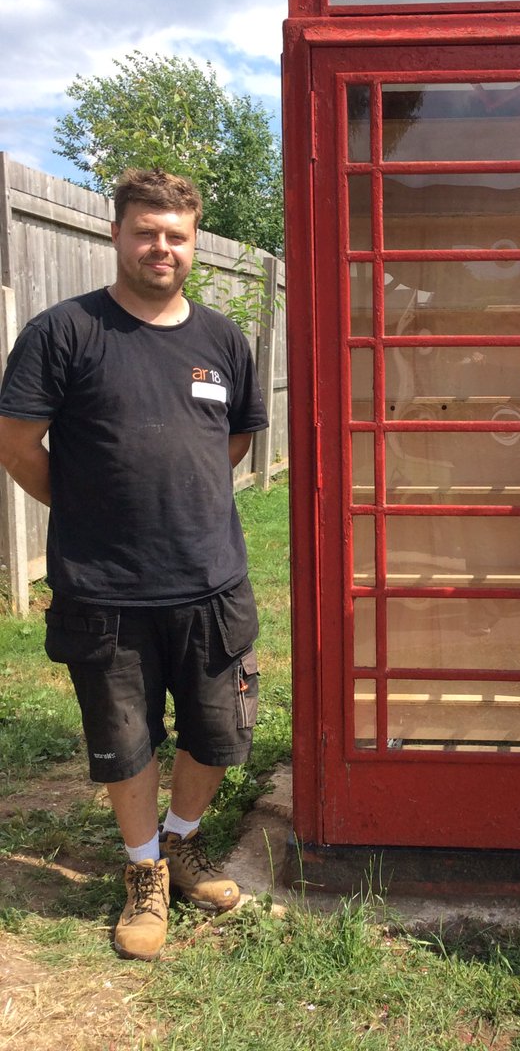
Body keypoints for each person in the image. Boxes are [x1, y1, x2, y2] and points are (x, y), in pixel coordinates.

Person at [0, 168, 268, 961]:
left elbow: (236, 442)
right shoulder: (63, 332)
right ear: (115, 234)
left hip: (211, 578)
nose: (162, 246)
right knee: (127, 741)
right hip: (104, 587)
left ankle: (181, 842)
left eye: (176, 234)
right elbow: (18, 446)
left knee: (220, 735)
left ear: (194, 244)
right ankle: (143, 869)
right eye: (146, 230)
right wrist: (91, 509)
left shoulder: (223, 339)